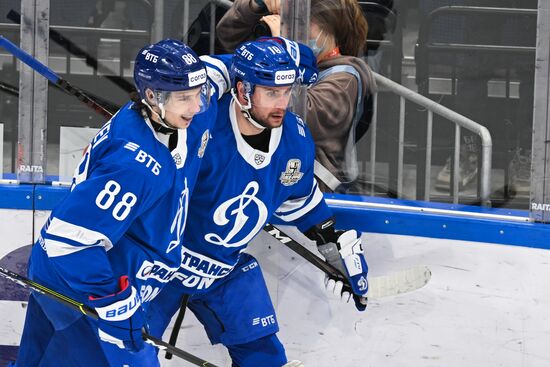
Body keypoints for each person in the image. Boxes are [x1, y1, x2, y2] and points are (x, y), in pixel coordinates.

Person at [145, 38, 369, 367]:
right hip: (158, 263)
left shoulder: (295, 139)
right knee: (127, 351)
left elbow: (299, 200)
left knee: (265, 358)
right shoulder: (203, 121)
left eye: (286, 92)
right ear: (242, 90)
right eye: (270, 93)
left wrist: (332, 244)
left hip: (221, 270)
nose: (281, 103)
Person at [11, 39, 219, 367]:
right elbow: (69, 243)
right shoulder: (135, 165)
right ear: (152, 96)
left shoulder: (163, 120)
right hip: (81, 287)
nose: (195, 107)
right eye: (184, 99)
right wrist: (115, 304)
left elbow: (221, 74)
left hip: (70, 274)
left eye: (198, 95)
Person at [216, 0, 376, 193]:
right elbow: (228, 36)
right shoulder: (285, 59)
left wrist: (282, 53)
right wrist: (256, 5)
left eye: (299, 25)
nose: (288, 30)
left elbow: (299, 114)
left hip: (309, 190)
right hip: (266, 180)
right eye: (285, 22)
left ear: (330, 29)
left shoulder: (345, 77)